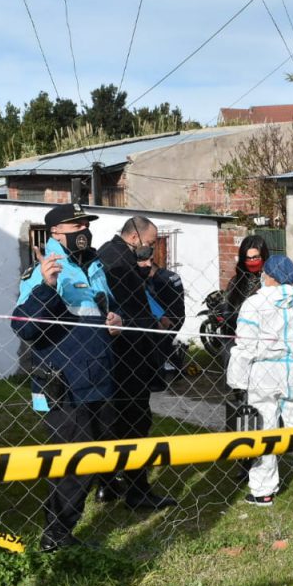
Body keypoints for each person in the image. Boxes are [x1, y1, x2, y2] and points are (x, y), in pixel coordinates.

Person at [12, 203, 123, 552]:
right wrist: (46, 285)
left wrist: (113, 322)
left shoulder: (95, 266)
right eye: (76, 225)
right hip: (64, 384)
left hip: (98, 377)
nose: (84, 230)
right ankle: (55, 536)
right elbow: (24, 327)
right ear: (57, 233)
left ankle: (101, 493)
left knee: (100, 451)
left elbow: (101, 310)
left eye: (86, 224)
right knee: (75, 464)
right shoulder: (45, 270)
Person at [227, 255, 293, 506]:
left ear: (270, 276)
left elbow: (245, 345)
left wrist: (237, 381)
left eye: (264, 272)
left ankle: (263, 490)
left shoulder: (254, 304)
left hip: (263, 371)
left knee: (263, 430)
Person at [96, 216, 178, 509]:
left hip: (117, 360)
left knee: (112, 423)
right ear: (135, 238)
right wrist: (154, 323)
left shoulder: (109, 255)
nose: (152, 249)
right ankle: (137, 490)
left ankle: (107, 484)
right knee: (135, 423)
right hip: (128, 358)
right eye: (151, 243)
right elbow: (127, 312)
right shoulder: (119, 265)